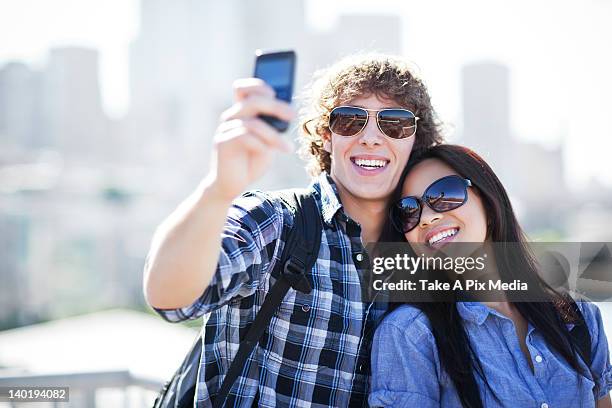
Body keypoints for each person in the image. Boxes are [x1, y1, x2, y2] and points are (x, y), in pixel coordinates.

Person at [143, 53, 443, 407]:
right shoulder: (276, 221)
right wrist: (218, 189)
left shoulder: (423, 250)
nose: (372, 138)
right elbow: (169, 297)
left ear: (415, 142)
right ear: (326, 136)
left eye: (394, 124)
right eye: (350, 121)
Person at [369, 144, 612, 407]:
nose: (427, 218)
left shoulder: (580, 317)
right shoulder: (410, 334)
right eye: (409, 211)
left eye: (445, 194)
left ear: (487, 199)